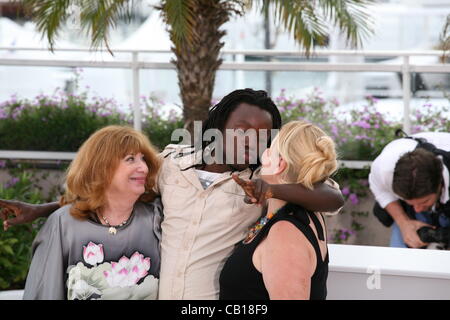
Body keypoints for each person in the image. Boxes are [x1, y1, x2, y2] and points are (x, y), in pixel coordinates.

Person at [1, 89, 344, 299]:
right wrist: (43, 208)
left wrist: (272, 187)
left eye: (261, 135)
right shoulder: (171, 163)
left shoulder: (263, 177)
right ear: (219, 125)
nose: (249, 141)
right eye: (240, 130)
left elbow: (332, 196)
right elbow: (114, 194)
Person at [23, 125, 162, 300]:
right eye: (130, 159)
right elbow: (44, 294)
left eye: (143, 159)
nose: (143, 167)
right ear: (101, 167)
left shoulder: (156, 218)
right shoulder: (63, 224)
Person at [219, 120, 338, 300]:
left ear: (280, 163)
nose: (263, 152)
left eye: (270, 150)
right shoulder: (301, 212)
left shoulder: (285, 233)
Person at [369, 131, 450, 249]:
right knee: (400, 259)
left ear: (440, 185)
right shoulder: (384, 169)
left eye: (424, 202)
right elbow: (380, 190)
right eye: (410, 202)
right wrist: (404, 223)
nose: (417, 209)